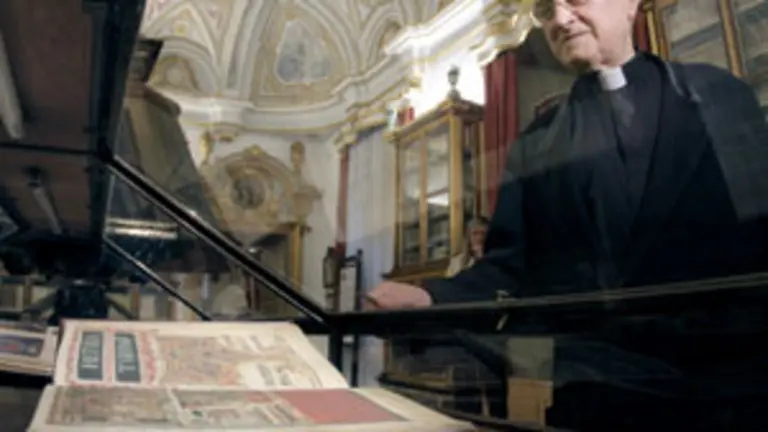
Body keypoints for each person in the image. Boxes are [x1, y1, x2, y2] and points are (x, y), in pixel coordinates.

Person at [367, 0, 768, 309]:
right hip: (598, 377)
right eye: (544, 9)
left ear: (630, 4)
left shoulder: (719, 95)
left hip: (726, 375)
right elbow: (508, 269)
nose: (559, 19)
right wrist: (431, 297)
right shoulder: (536, 144)